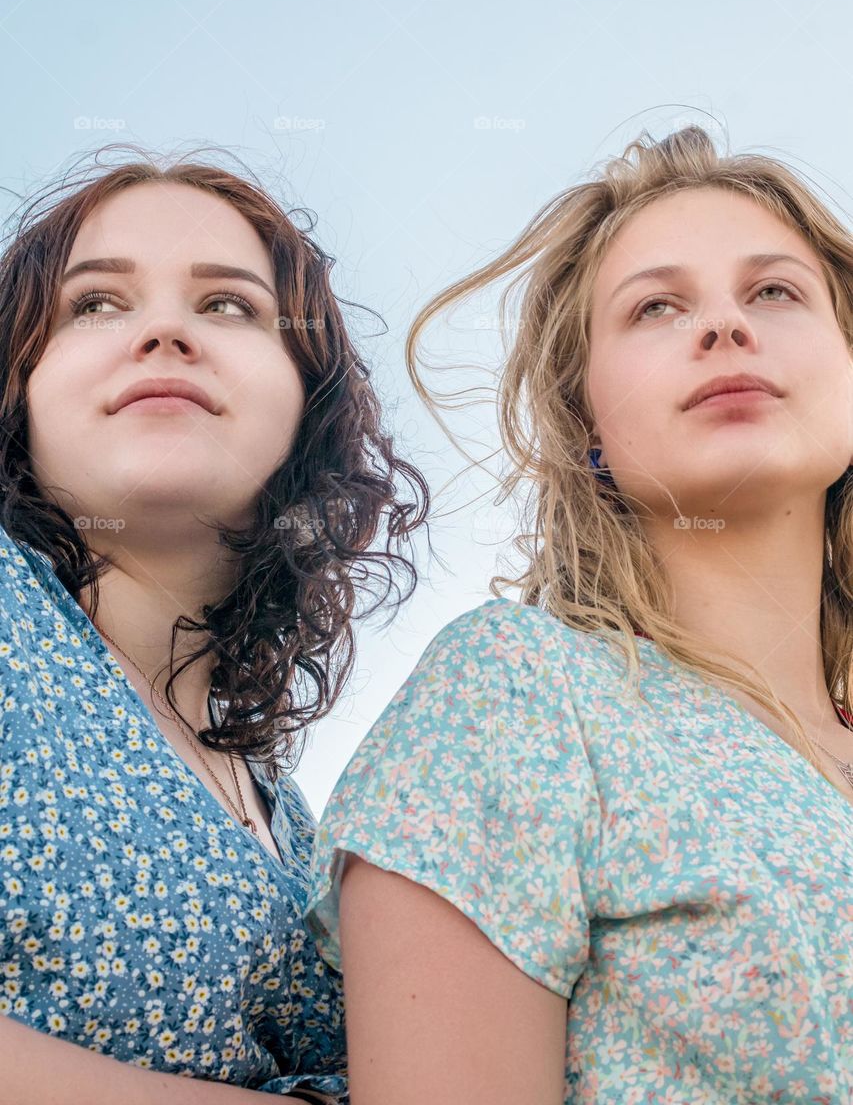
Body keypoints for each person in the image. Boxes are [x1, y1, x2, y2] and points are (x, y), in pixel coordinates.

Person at [304, 126, 853, 1103]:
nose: (724, 325)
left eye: (773, 290)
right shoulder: (520, 692)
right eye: (655, 306)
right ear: (588, 422)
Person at [0, 146, 429, 1102]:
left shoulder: (295, 819)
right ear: (18, 388)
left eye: (227, 304)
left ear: (305, 403)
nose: (162, 331)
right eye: (95, 303)